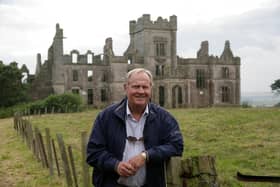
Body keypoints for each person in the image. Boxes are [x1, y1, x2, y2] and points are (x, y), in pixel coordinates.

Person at [86, 68, 184, 187]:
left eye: (145, 87)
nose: (141, 91)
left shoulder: (163, 118)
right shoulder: (106, 117)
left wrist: (147, 155)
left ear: (151, 89)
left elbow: (176, 146)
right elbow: (93, 153)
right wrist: (115, 165)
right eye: (136, 86)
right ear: (125, 88)